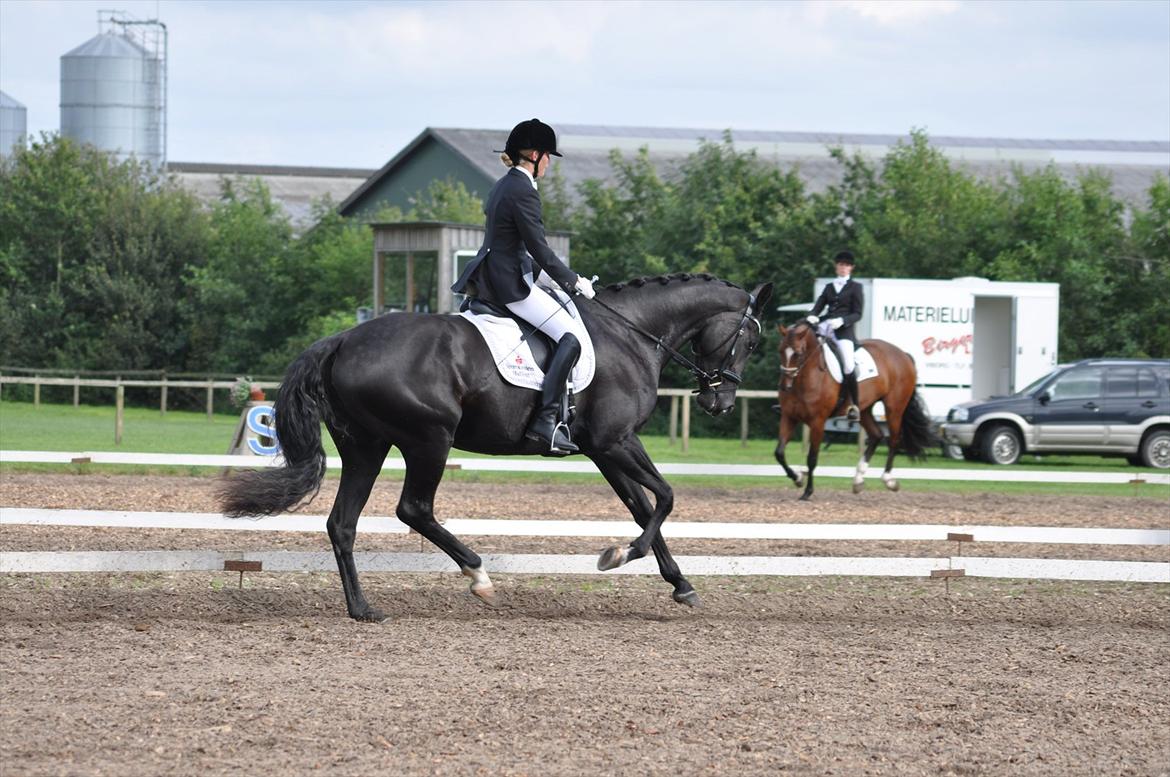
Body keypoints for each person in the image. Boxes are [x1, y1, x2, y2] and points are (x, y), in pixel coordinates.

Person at [451, 118, 596, 456]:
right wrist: (573, 281)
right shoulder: (523, 190)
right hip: (509, 286)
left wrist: (544, 277)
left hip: (496, 275)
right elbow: (539, 247)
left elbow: (510, 245)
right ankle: (546, 422)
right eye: (548, 157)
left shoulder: (503, 185)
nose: (549, 164)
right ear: (534, 155)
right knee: (570, 337)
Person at [806, 250, 863, 421]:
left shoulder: (856, 287)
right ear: (836, 266)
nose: (843, 267)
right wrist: (813, 315)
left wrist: (843, 321)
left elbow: (857, 313)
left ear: (851, 268)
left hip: (843, 331)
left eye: (846, 265)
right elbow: (819, 306)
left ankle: (854, 405)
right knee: (803, 353)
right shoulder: (829, 287)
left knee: (848, 365)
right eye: (840, 264)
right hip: (824, 328)